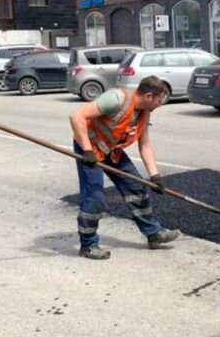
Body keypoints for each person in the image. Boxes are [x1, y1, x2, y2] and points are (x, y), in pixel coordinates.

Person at [69, 75, 180, 260]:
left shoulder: (144, 112)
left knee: (136, 188)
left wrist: (155, 176)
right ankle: (88, 246)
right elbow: (76, 116)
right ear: (149, 96)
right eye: (160, 100)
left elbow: (144, 145)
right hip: (91, 148)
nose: (160, 104)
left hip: (112, 151)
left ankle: (153, 234)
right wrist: (87, 151)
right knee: (94, 197)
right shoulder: (116, 99)